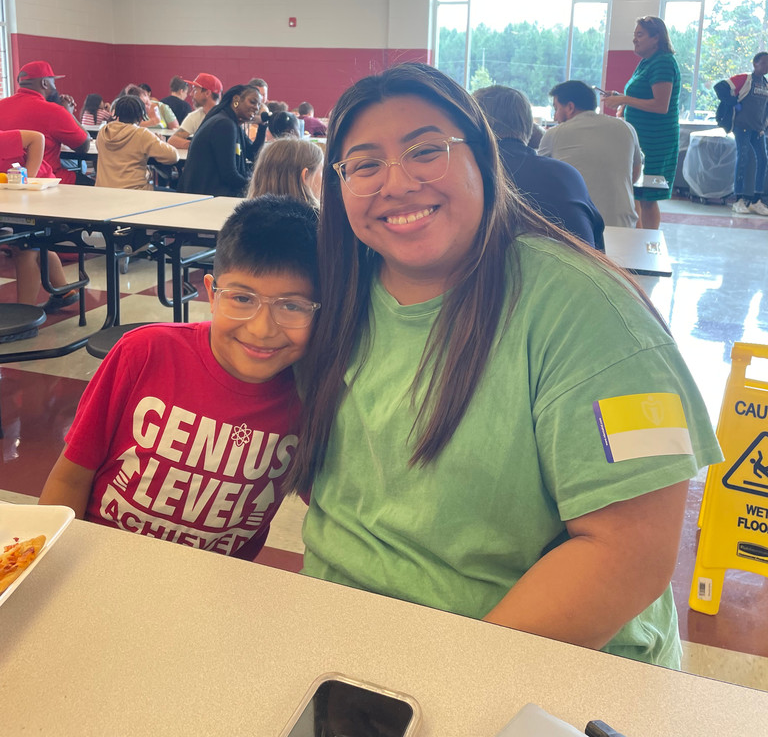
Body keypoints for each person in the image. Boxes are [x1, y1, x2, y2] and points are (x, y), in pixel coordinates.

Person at [289, 63, 720, 668]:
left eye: (426, 151)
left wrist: (454, 675)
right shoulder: (334, 296)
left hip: (532, 667)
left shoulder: (593, 313)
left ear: (483, 159)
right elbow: (328, 484)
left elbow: (629, 552)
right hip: (344, 647)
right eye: (364, 164)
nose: (398, 182)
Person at [39, 196, 320, 559]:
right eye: (242, 298)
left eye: (293, 306)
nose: (262, 329)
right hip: (98, 563)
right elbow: (70, 477)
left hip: (210, 590)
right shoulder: (144, 352)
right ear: (211, 294)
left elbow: (338, 510)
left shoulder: (312, 395)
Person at [474, 85, 604, 248]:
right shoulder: (568, 175)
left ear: (474, 127)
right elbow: (597, 247)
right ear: (528, 126)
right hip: (584, 270)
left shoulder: (471, 174)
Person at [602, 17, 680, 230]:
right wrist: (620, 97)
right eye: (634, 35)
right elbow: (643, 95)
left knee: (647, 197)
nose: (634, 40)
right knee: (636, 193)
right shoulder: (647, 62)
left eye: (640, 35)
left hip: (656, 141)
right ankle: (636, 243)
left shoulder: (663, 62)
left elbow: (660, 105)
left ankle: (647, 247)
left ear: (656, 38)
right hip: (642, 139)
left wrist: (624, 100)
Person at [539, 80, 643, 228]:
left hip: (578, 228)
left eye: (556, 108)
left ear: (570, 107)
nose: (555, 117)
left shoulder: (555, 134)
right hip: (622, 225)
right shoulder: (626, 128)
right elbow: (635, 174)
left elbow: (539, 177)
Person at [0, 128, 78, 310]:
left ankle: (25, 313)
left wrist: (28, 178)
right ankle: (63, 291)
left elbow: (37, 137)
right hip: (16, 198)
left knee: (25, 248)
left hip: (39, 192)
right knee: (36, 244)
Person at [0, 61, 89, 184]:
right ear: (44, 83)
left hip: (6, 178)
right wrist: (69, 113)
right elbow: (84, 146)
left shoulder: (2, 105)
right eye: (53, 81)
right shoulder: (54, 111)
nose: (55, 86)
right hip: (46, 179)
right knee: (90, 182)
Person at [179, 83, 262, 197]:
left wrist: (262, 126)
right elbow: (229, 175)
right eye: (253, 102)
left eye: (259, 105)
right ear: (236, 100)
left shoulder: (232, 123)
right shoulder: (224, 124)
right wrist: (258, 186)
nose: (256, 108)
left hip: (210, 193)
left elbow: (253, 154)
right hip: (206, 197)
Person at [716, 52, 768, 215]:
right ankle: (738, 200)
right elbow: (719, 87)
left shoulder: (765, 84)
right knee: (743, 157)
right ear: (755, 64)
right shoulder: (745, 79)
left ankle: (756, 200)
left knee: (763, 159)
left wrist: (763, 126)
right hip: (742, 127)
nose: (766, 67)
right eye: (764, 63)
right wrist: (734, 104)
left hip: (757, 129)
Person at [95, 95, 179, 190]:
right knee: (176, 195)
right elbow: (173, 156)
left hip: (104, 191)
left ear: (117, 114)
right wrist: (161, 142)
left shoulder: (103, 132)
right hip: (135, 192)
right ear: (141, 116)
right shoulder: (142, 134)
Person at [248, 136, 323, 209]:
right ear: (305, 176)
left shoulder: (243, 218)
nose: (325, 178)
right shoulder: (319, 220)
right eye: (322, 171)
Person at [168, 72, 222, 150]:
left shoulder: (226, 117)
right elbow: (172, 140)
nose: (191, 94)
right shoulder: (195, 116)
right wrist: (199, 146)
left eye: (195, 90)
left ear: (207, 93)